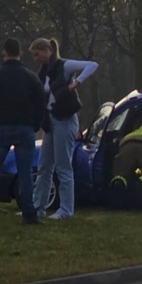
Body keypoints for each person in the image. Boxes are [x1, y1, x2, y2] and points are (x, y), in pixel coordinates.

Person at [0, 39, 47, 224]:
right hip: (25, 128)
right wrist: (34, 125)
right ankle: (29, 214)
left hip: (1, 128)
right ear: (20, 53)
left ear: (4, 52)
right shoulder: (31, 77)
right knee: (25, 173)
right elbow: (41, 105)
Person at [29, 38, 99, 220]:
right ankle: (38, 207)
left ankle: (66, 209)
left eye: (37, 54)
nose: (36, 58)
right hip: (50, 120)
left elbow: (92, 65)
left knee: (63, 166)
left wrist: (76, 83)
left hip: (65, 120)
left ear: (46, 50)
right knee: (44, 166)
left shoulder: (64, 66)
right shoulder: (43, 72)